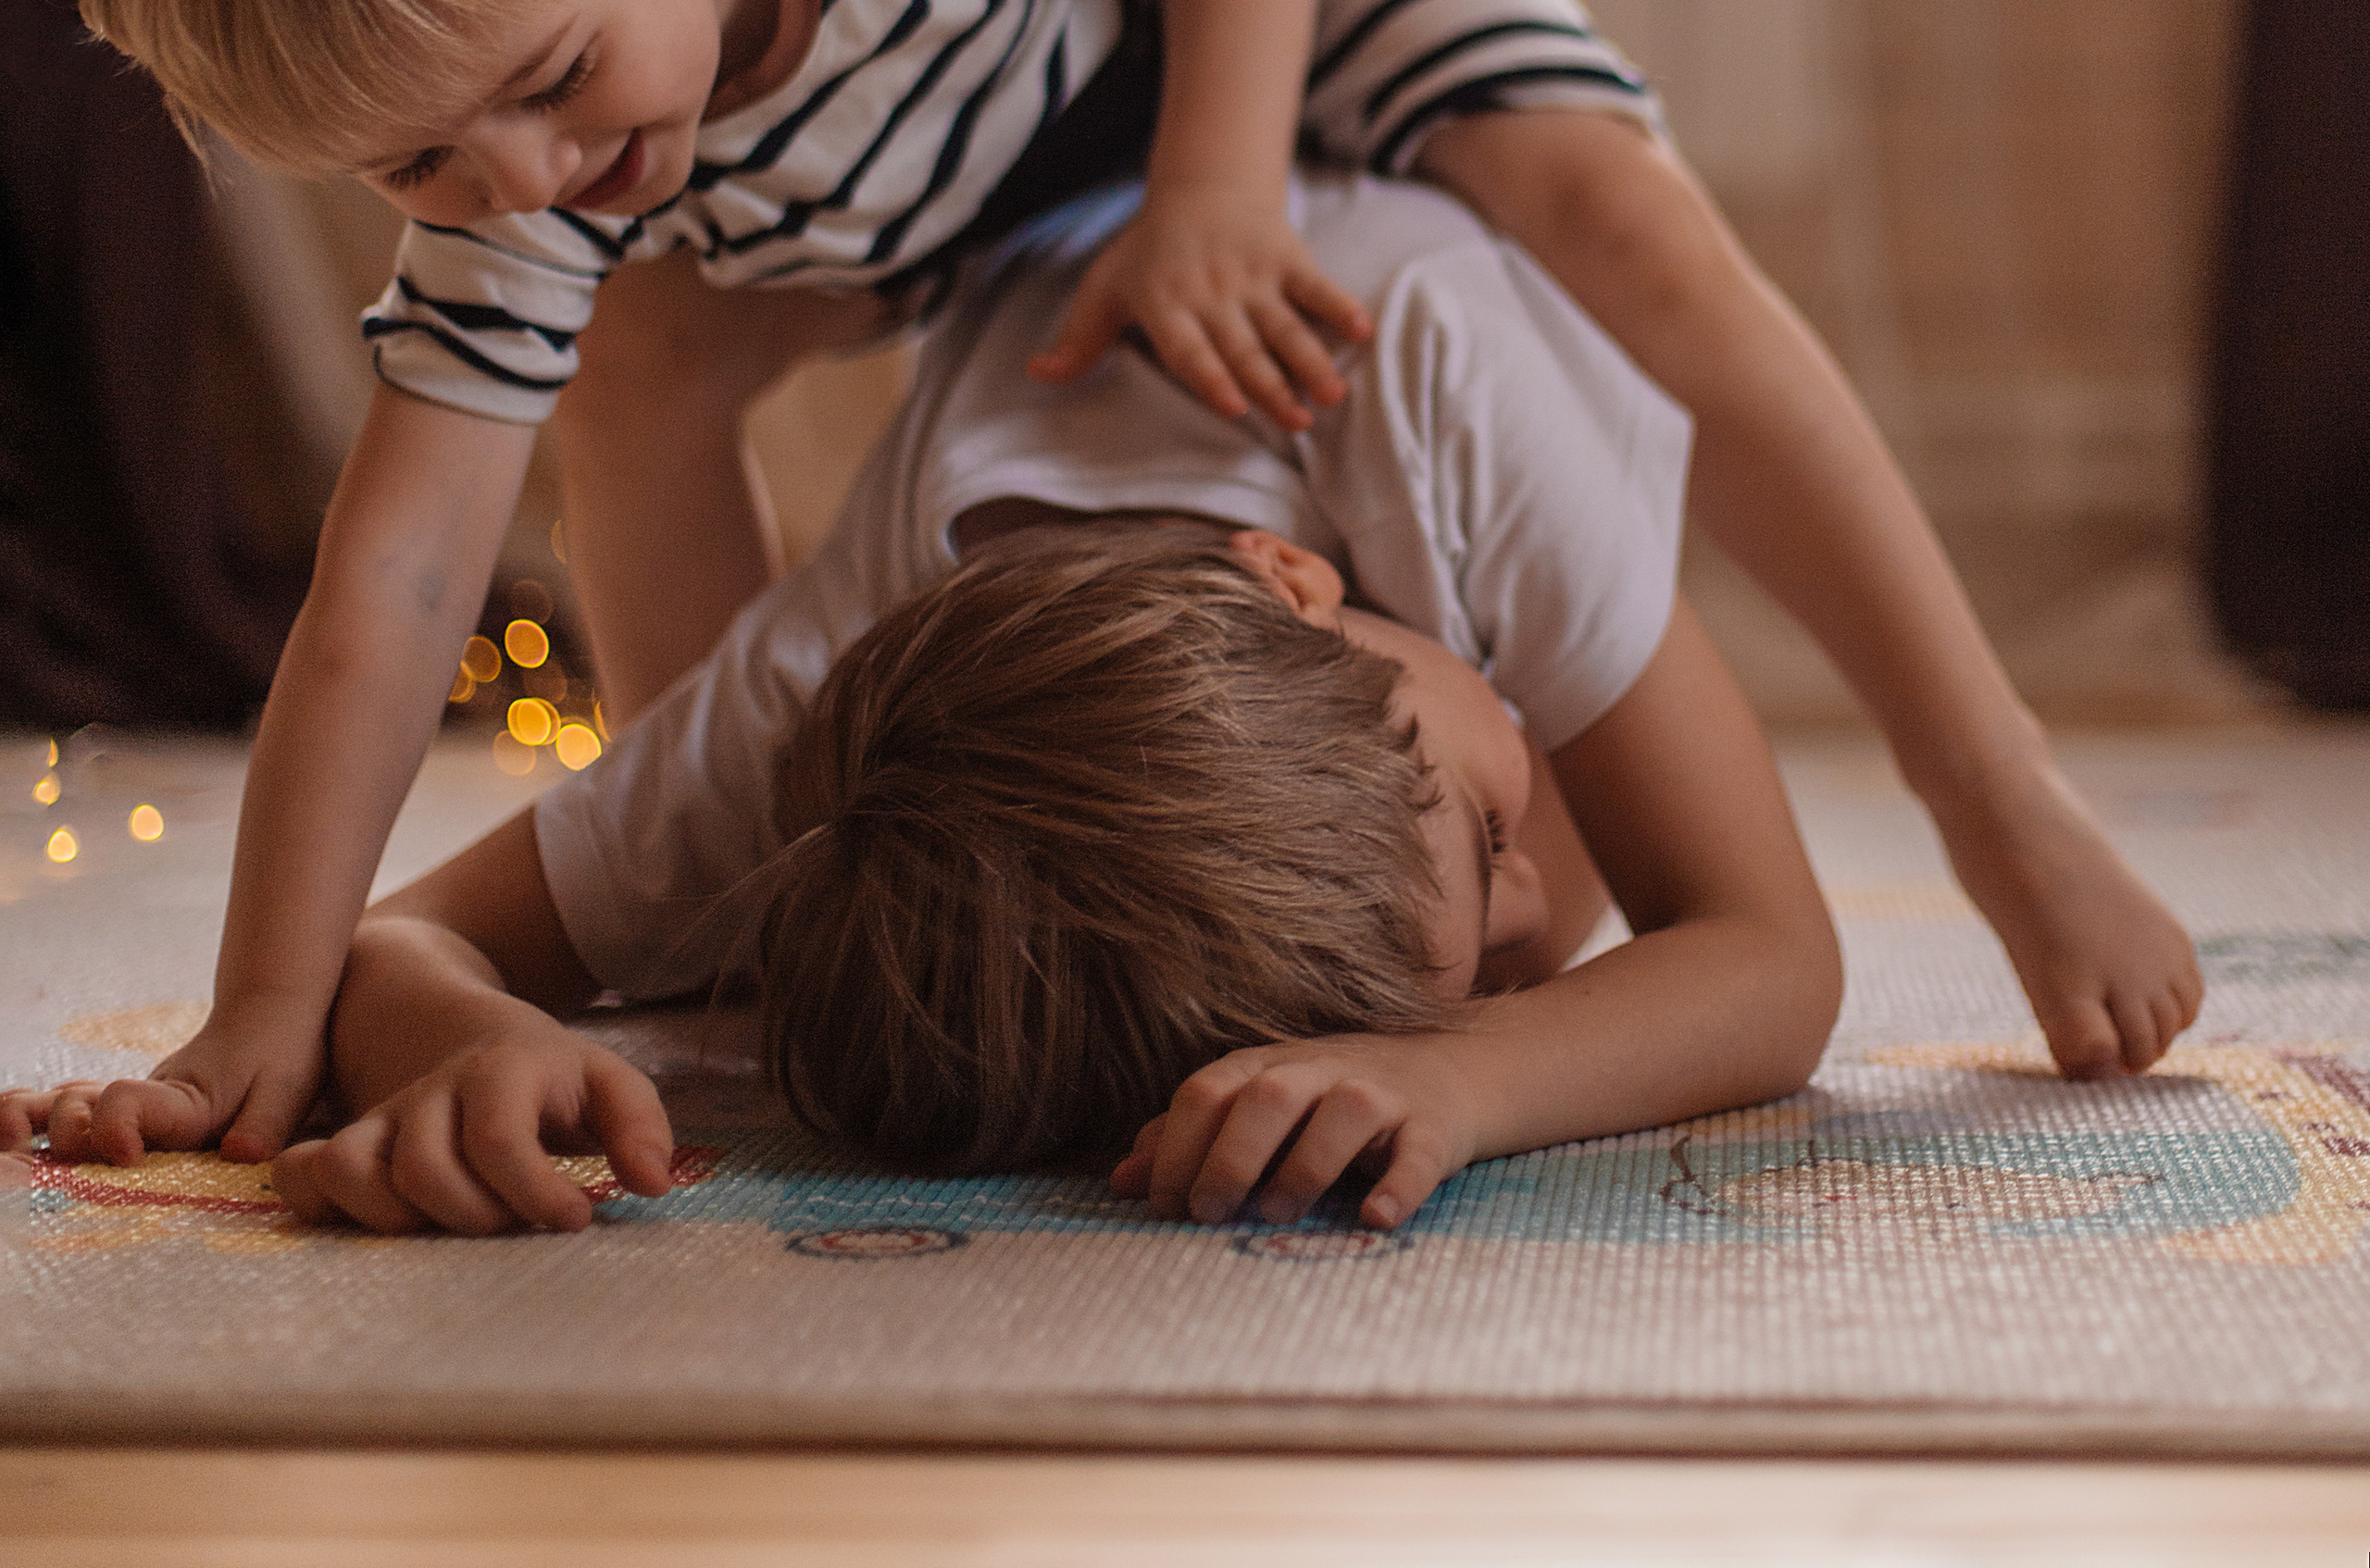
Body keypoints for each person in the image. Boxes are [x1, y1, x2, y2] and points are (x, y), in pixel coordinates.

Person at [32, 0, 2194, 1174]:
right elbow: (385, 592)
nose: (516, 184)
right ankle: (786, 874)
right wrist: (271, 1000)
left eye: (542, 80)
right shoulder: (544, 134)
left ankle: (1987, 774)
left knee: (1600, 210)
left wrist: (1214, 197)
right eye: (417, 165)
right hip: (960, 181)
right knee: (642, 354)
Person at [241, 171, 1843, 1236]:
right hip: (1052, 254)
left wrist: (1467, 1073)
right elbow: (400, 940)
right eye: (1494, 848)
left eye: (1483, 833)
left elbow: (1771, 954)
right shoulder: (830, 735)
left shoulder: (1453, 403)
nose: (1546, 906)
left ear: (1298, 580)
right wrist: (470, 1033)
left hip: (1379, 200)